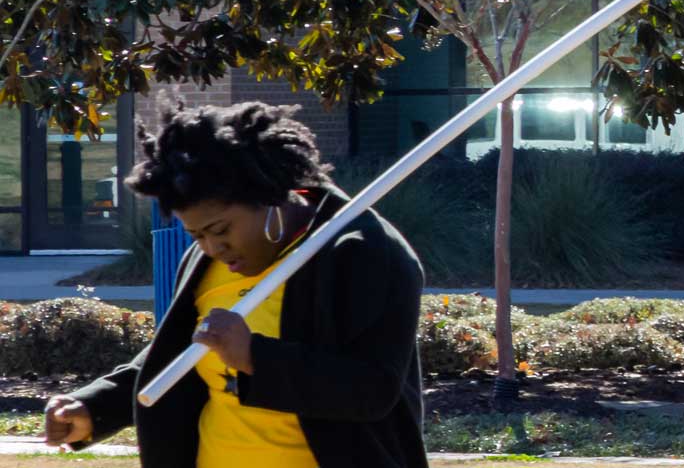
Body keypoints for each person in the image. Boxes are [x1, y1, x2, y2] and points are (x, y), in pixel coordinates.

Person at [45, 104, 426, 467]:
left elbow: (373, 389)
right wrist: (93, 408)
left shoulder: (363, 252)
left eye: (221, 230)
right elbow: (183, 356)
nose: (213, 247)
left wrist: (254, 358)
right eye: (196, 235)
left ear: (270, 195)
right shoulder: (208, 261)